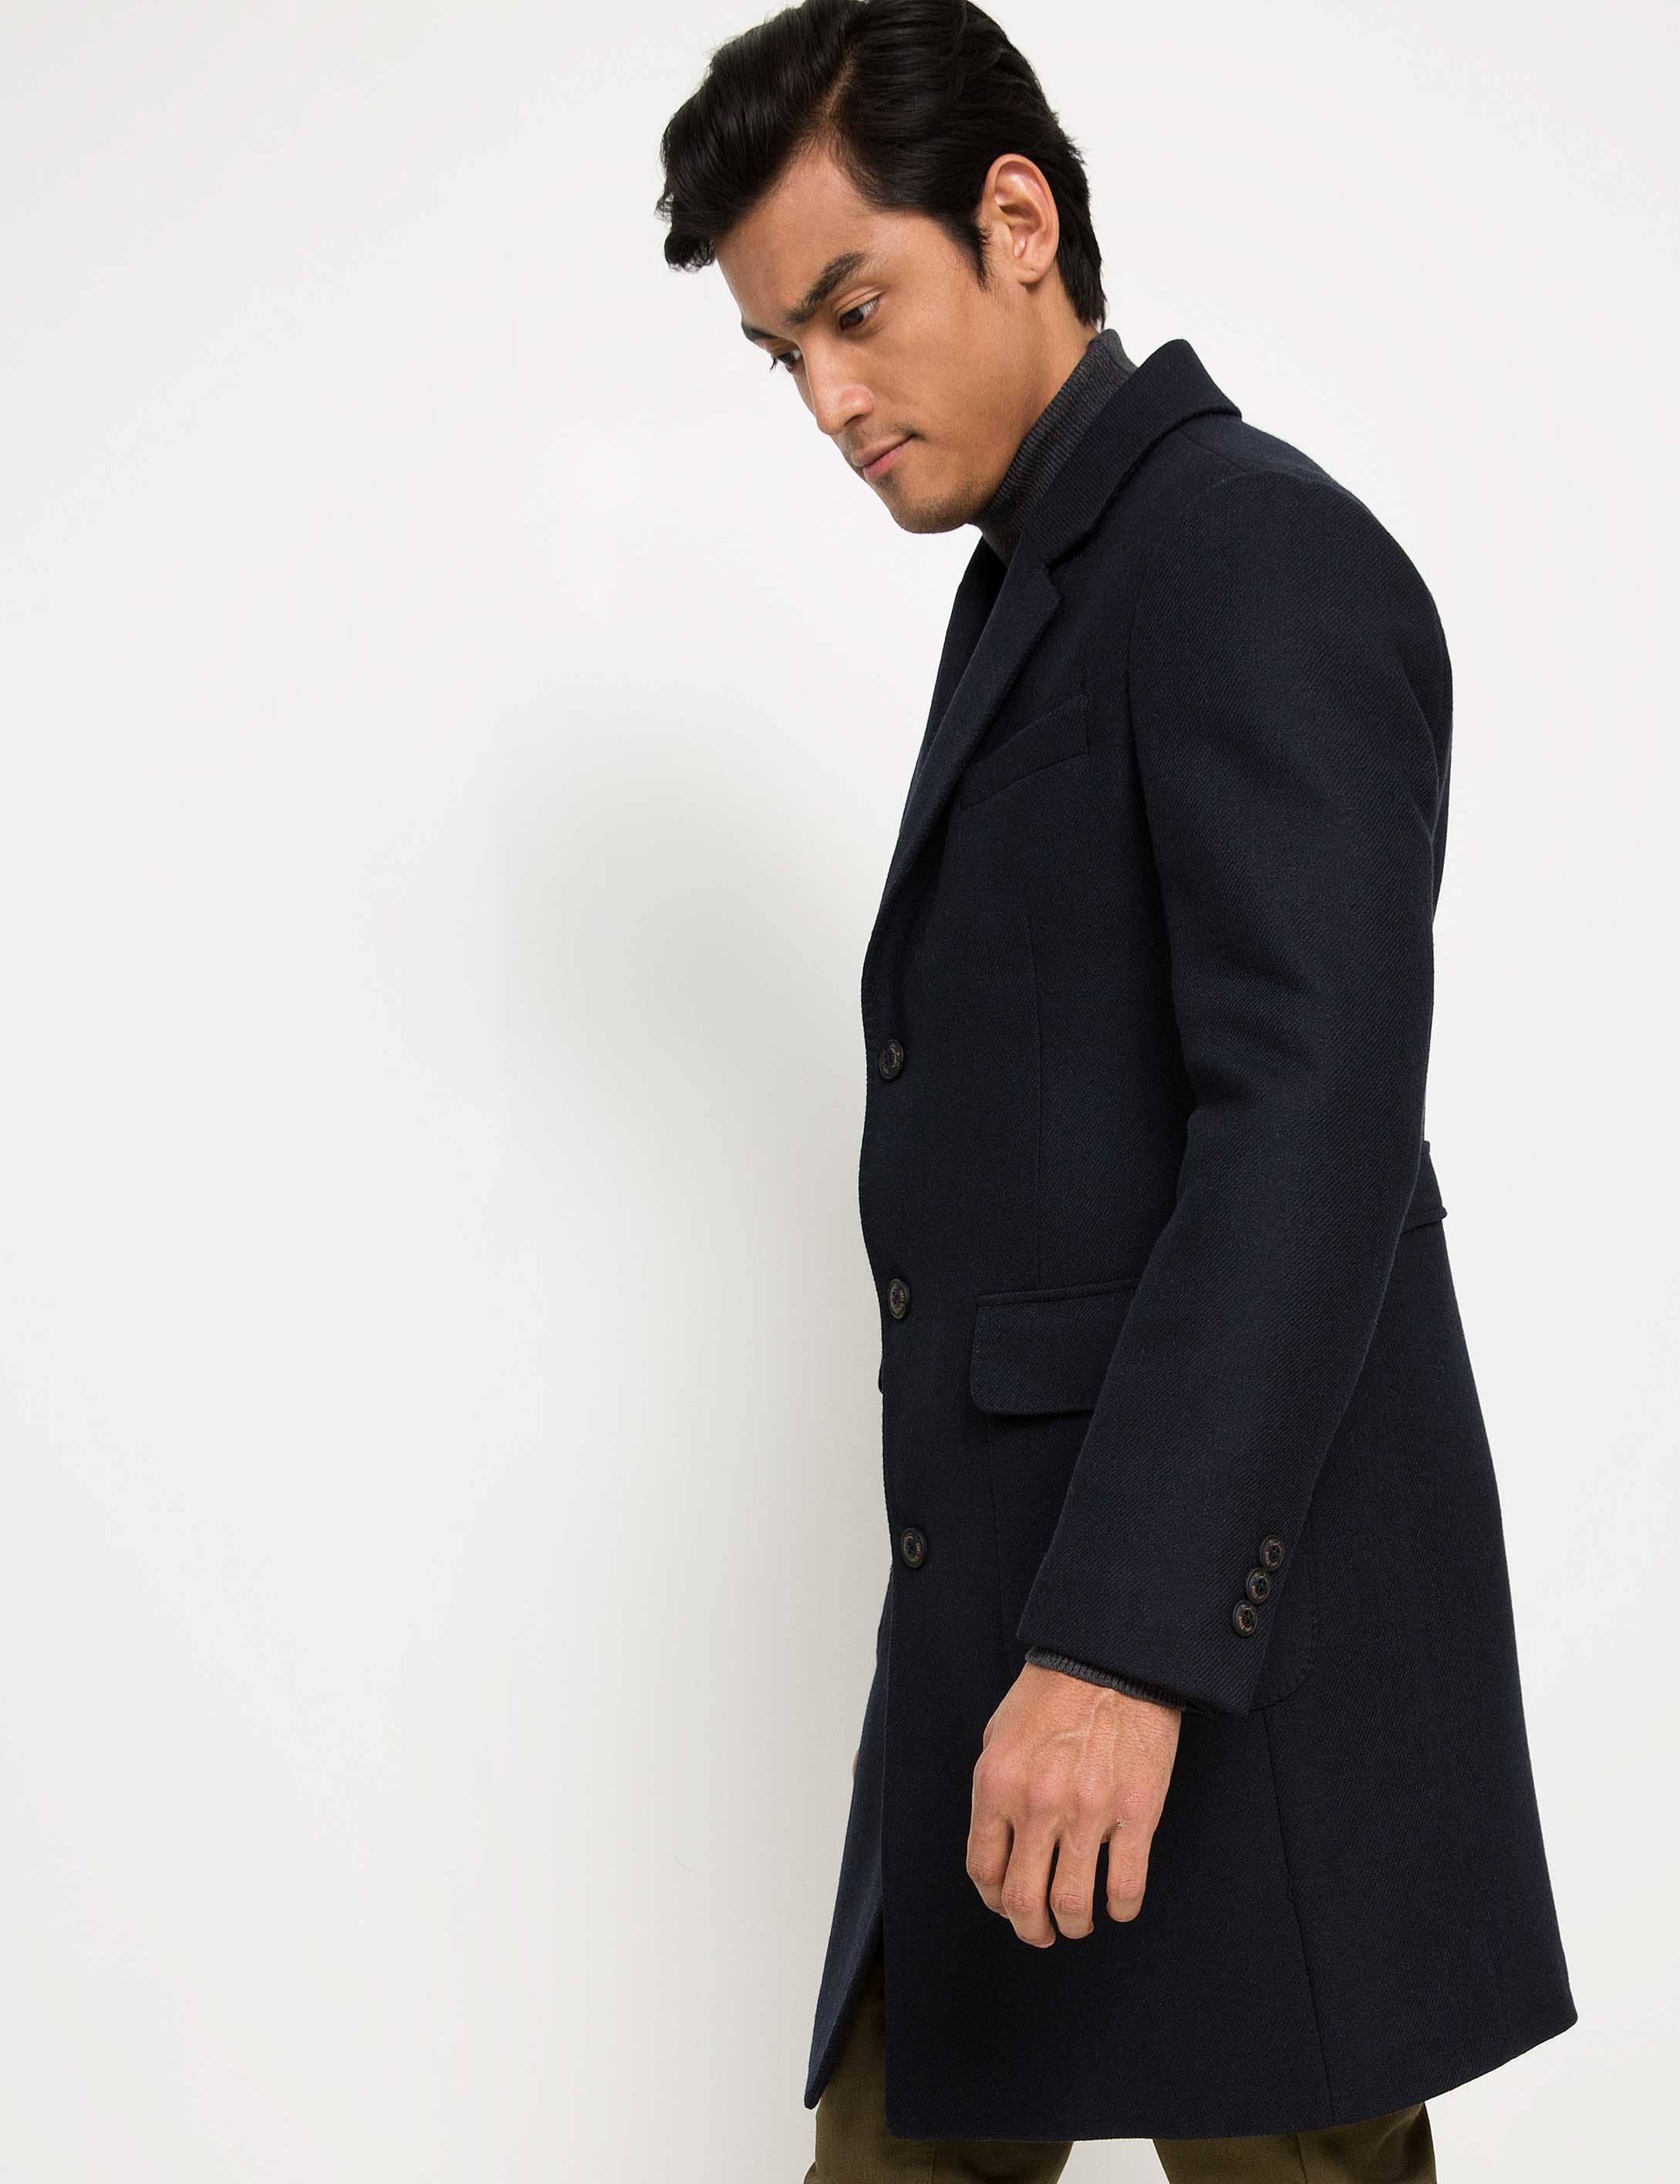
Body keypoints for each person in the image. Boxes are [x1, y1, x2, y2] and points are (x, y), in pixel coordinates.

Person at [656, 3, 1577, 2176]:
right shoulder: (1042, 581)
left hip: (1191, 1675)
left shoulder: (1245, 551)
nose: (829, 402)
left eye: (853, 312)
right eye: (783, 355)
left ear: (1017, 219)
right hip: (1008, 1659)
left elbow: (1309, 1128)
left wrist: (1122, 1653)